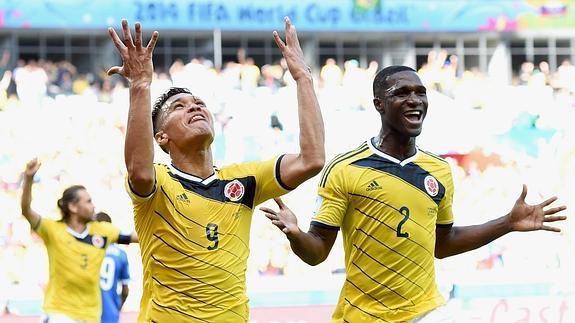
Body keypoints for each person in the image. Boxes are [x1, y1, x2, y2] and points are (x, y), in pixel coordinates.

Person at [260, 65, 568, 322]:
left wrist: (507, 223)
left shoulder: (439, 169)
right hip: (362, 315)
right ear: (379, 104)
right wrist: (296, 233)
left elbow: (443, 244)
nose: (414, 100)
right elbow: (316, 252)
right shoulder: (345, 168)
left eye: (420, 93)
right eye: (402, 93)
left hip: (425, 312)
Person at [106, 17, 324, 322]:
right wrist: (140, 85)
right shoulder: (158, 182)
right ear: (161, 137)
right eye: (179, 107)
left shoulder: (245, 180)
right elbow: (138, 171)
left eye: (198, 103)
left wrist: (303, 78)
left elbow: (311, 160)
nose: (194, 106)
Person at [20, 158, 138, 323]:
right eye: (88, 202)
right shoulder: (52, 230)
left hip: (91, 315)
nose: (93, 206)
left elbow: (136, 237)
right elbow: (26, 210)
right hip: (59, 312)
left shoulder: (103, 231)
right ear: (73, 207)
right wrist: (29, 179)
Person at [96, 212, 131, 323]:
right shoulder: (121, 254)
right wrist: (116, 308)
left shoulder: (89, 250)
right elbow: (125, 290)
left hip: (89, 312)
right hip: (110, 314)